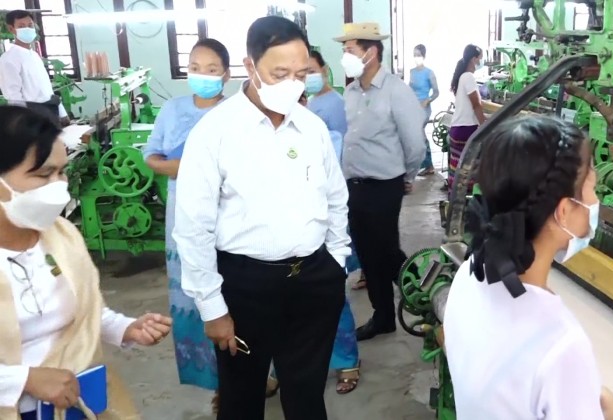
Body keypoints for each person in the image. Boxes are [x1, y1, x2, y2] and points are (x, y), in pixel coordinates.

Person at [173, 16, 350, 420]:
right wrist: (213, 307)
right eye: (279, 74)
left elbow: (336, 199)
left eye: (301, 74)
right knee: (241, 399)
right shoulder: (215, 132)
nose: (292, 84)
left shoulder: (312, 128)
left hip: (314, 279)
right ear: (250, 66)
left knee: (307, 396)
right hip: (245, 286)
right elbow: (194, 226)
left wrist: (336, 261)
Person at [444, 115, 613, 420]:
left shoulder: (468, 276)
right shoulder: (561, 344)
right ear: (563, 211)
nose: (596, 201)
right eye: (592, 188)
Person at [0, 105, 172, 419]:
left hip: (72, 401)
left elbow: (85, 310)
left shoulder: (61, 237)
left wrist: (125, 328)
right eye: (43, 175)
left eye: (61, 171)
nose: (58, 185)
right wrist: (23, 380)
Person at [142, 38, 230, 411]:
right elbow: (151, 155)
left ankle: (250, 376)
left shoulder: (235, 114)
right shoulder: (173, 110)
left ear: (226, 74)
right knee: (193, 300)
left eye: (212, 69)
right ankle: (216, 382)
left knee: (233, 299)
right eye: (195, 68)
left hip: (227, 220)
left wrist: (186, 167)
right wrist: (186, 167)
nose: (203, 75)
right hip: (184, 219)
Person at [335, 22, 426, 341]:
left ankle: (427, 291)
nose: (344, 57)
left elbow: (414, 143)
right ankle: (383, 315)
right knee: (367, 253)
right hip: (354, 185)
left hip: (385, 184)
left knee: (385, 250)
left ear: (370, 52)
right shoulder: (350, 92)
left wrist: (408, 176)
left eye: (350, 50)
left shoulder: (396, 90)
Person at [303, 49, 362, 394]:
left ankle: (345, 360)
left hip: (322, 215)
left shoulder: (330, 113)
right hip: (284, 231)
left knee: (330, 294)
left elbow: (337, 169)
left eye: (306, 70)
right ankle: (284, 366)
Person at [0, 10, 70, 126]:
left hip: (50, 110)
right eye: (21, 26)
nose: (27, 29)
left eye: (30, 25)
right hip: (32, 114)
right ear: (11, 29)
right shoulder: (8, 59)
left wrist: (62, 113)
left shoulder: (34, 55)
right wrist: (23, 122)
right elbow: (13, 95)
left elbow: (47, 88)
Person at [446, 44, 487, 192]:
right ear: (473, 59)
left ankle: (454, 198)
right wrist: (485, 126)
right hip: (467, 130)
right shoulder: (468, 77)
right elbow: (476, 104)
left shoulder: (462, 77)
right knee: (471, 169)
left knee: (458, 168)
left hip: (457, 129)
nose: (480, 62)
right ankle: (467, 200)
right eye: (479, 59)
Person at [409, 44, 440, 177]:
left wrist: (428, 100)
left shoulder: (429, 73)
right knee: (416, 135)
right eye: (414, 55)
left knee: (420, 133)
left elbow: (436, 92)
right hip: (413, 107)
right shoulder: (412, 72)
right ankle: (423, 164)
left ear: (424, 56)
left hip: (424, 108)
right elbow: (410, 89)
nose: (416, 57)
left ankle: (428, 165)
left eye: (419, 55)